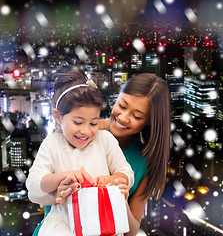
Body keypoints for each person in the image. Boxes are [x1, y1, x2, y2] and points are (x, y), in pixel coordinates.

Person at [29, 73, 171, 236]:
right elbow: (34, 192)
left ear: (149, 120)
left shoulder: (141, 160)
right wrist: (60, 193)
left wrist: (117, 196)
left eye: (137, 116)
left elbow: (131, 231)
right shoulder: (73, 133)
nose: (123, 118)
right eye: (122, 105)